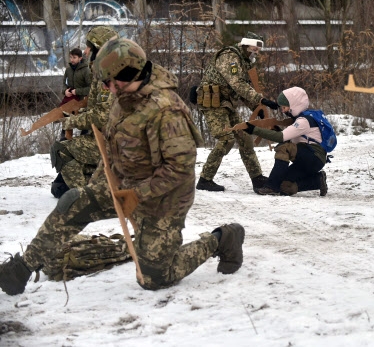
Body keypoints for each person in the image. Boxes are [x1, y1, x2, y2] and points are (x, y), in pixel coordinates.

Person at [0, 38, 245, 295]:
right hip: (126, 183)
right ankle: (22, 268)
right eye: (105, 83)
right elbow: (113, 152)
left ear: (129, 73)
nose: (109, 89)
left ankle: (221, 239)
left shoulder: (166, 111)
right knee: (74, 202)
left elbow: (179, 170)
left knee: (154, 278)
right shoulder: (123, 99)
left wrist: (136, 196)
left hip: (164, 197)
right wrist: (95, 191)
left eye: (111, 83)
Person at [195, 31, 279, 192]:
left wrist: (257, 109)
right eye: (255, 48)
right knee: (226, 139)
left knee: (245, 137)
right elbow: (237, 84)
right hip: (213, 104)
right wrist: (260, 100)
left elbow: (242, 89)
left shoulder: (244, 61)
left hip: (227, 104)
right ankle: (205, 179)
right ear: (246, 45)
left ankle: (257, 178)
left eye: (258, 49)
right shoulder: (229, 57)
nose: (257, 52)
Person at [50, 26, 119, 198]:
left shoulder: (110, 74)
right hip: (103, 138)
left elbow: (101, 116)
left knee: (60, 150)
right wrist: (71, 113)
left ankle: (88, 197)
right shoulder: (100, 71)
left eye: (89, 47)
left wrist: (70, 121)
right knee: (61, 183)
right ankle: (93, 186)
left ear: (99, 49)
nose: (85, 51)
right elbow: (93, 108)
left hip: (115, 143)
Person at [243, 86, 328, 196]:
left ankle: (271, 186)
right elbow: (289, 135)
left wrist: (254, 130)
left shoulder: (303, 121)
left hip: (314, 157)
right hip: (306, 161)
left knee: (283, 147)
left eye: (284, 107)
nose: (282, 111)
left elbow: (281, 137)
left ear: (294, 105)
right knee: (284, 187)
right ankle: (318, 180)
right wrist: (274, 129)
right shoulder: (299, 119)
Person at [58, 47, 91, 141]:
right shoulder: (68, 70)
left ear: (80, 58)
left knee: (84, 129)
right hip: (70, 103)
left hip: (83, 104)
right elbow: (64, 83)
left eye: (74, 57)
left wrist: (77, 91)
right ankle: (65, 143)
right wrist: (65, 91)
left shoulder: (86, 71)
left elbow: (91, 88)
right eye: (71, 57)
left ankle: (83, 143)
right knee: (66, 124)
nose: (72, 60)